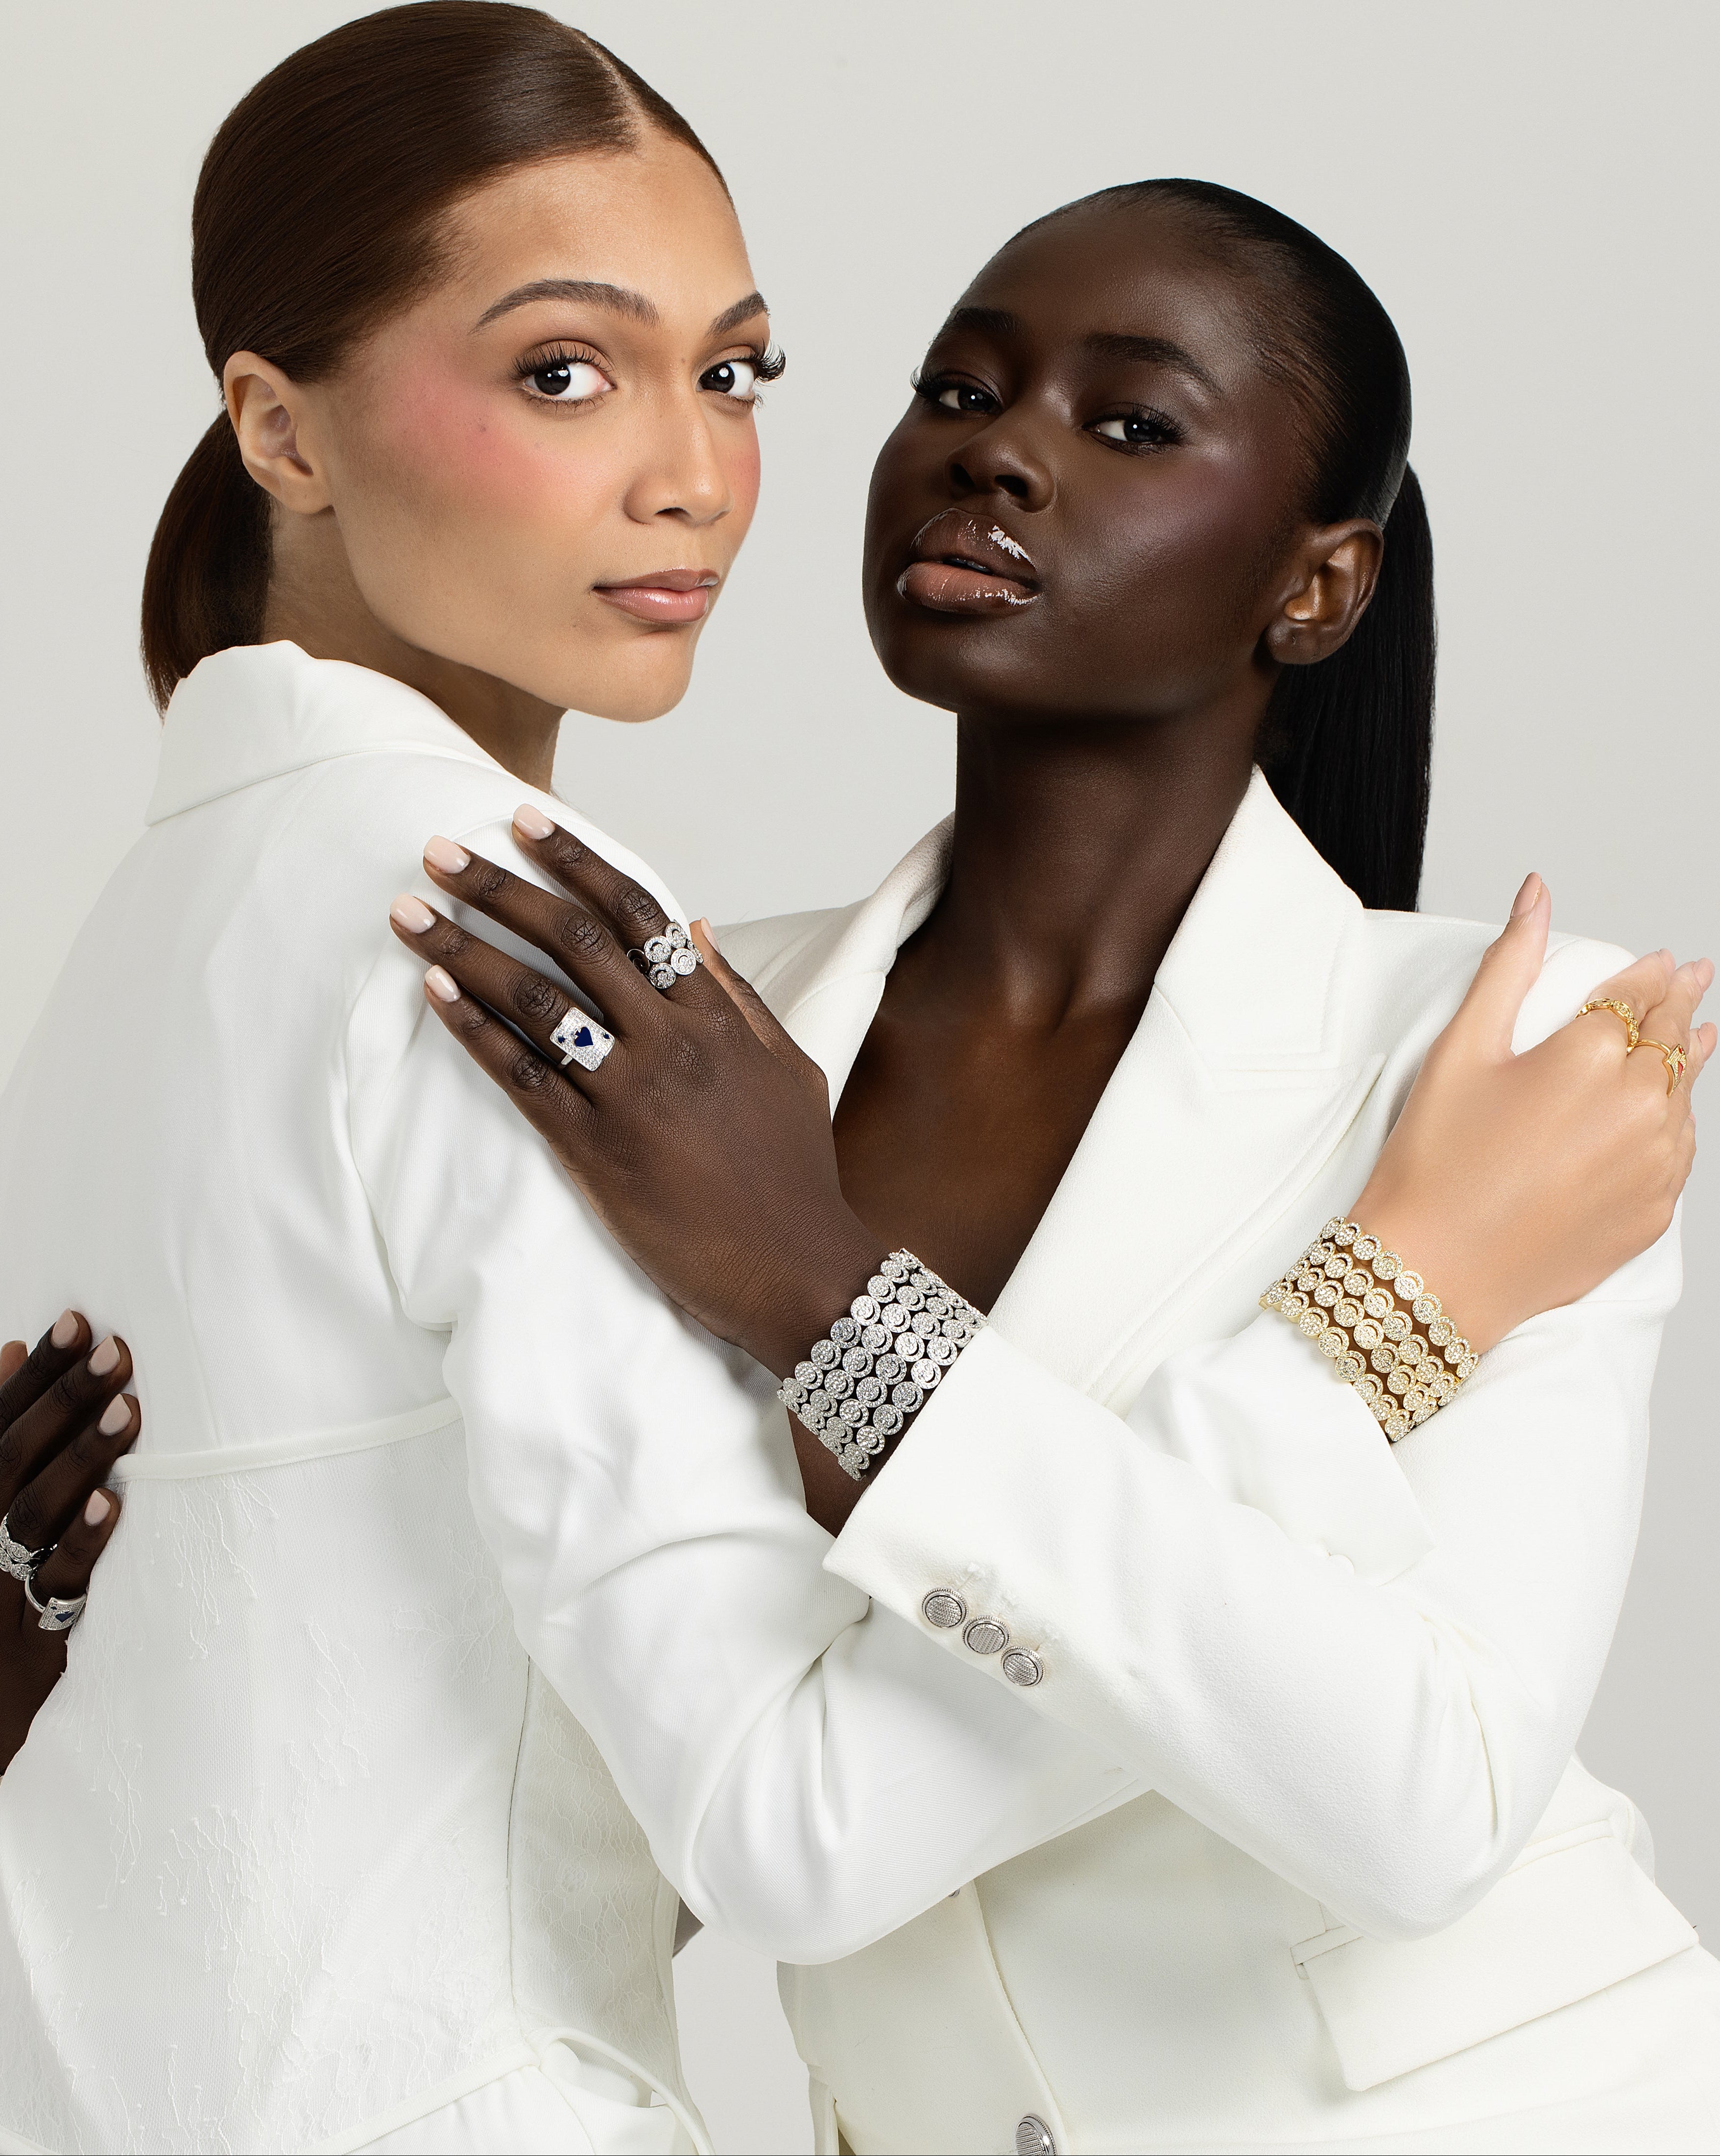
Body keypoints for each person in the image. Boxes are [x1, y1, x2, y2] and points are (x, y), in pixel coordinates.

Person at [0, 13, 1709, 2153]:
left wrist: (1356, 1303)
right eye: (961, 390)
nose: (996, 452)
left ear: (1316, 583)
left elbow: (1426, 1797)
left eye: (1130, 420)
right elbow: (616, 1749)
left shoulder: (1490, 1065)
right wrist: (129, 1622)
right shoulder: (689, 1018)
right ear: (278, 428)